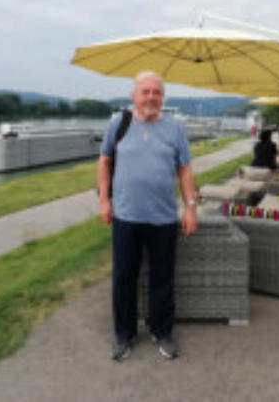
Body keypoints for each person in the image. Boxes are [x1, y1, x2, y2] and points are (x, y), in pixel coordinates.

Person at [98, 71, 198, 362]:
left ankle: (162, 332)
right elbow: (104, 161)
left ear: (162, 97)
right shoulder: (118, 123)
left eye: (157, 92)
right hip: (125, 216)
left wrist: (190, 207)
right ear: (134, 96)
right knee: (123, 279)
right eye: (146, 91)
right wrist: (104, 200)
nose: (152, 97)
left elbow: (184, 169)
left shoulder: (175, 128)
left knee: (162, 279)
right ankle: (124, 335)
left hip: (163, 218)